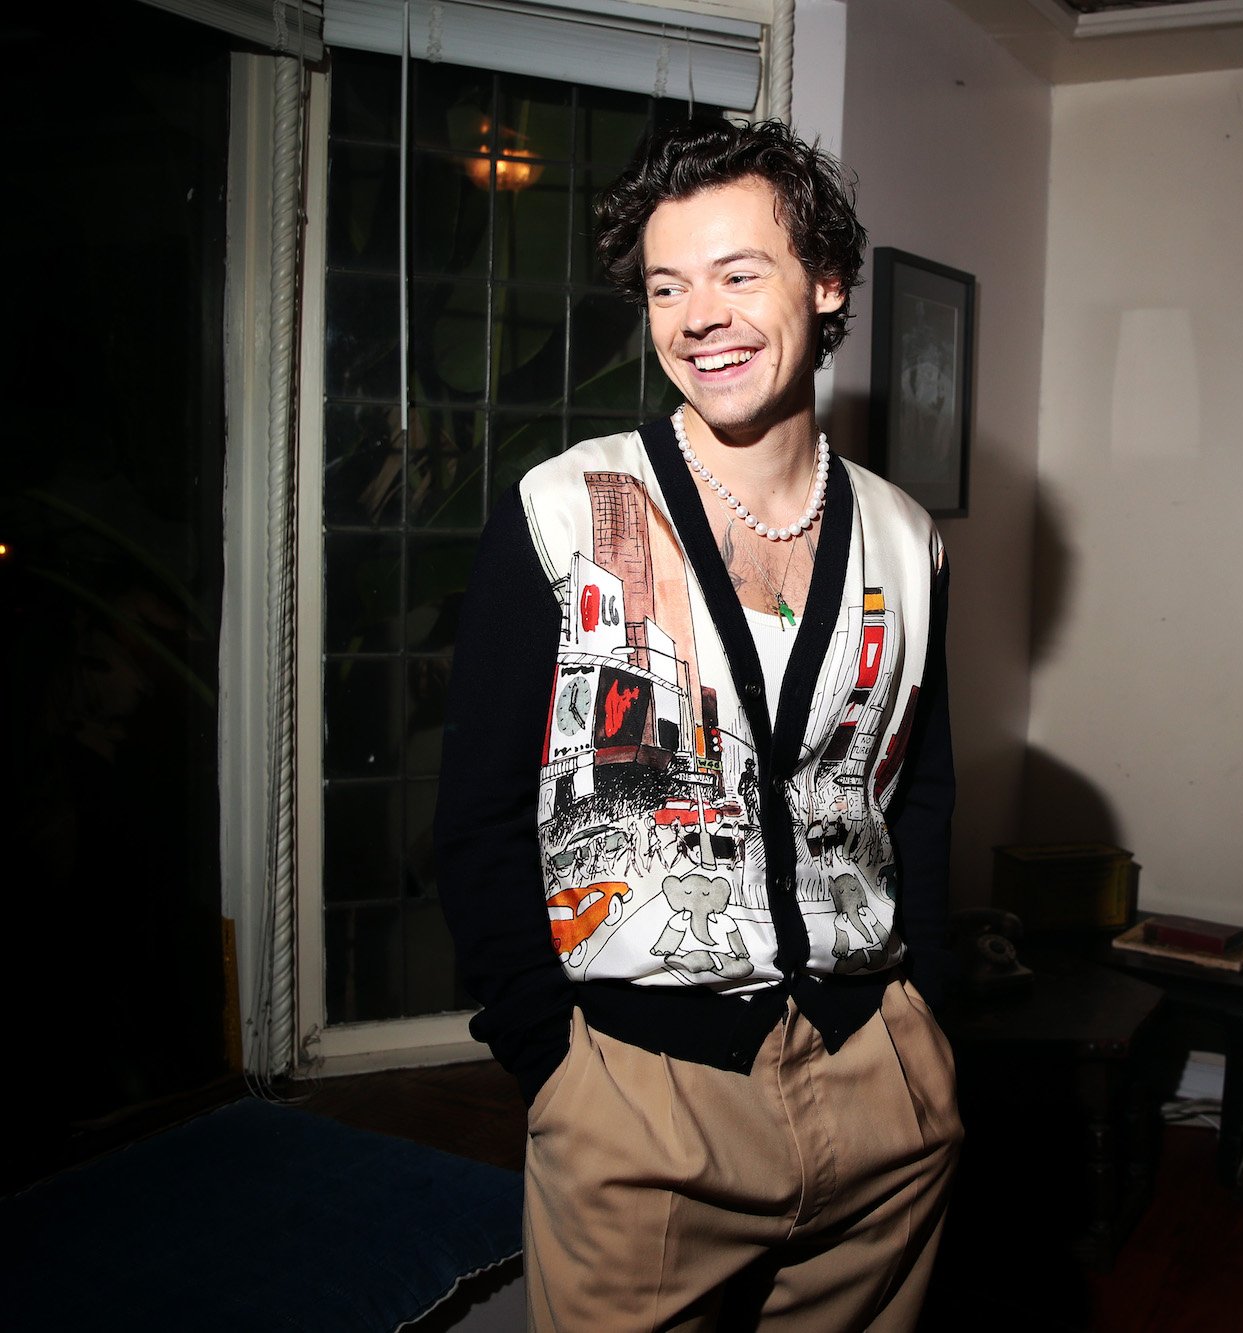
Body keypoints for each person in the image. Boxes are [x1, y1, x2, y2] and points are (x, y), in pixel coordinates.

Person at [435, 118, 960, 1331]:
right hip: (639, 1094)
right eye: (667, 286)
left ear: (824, 283)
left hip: (879, 1078)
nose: (698, 318)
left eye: (737, 273)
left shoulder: (906, 537)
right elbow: (476, 814)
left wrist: (924, 1015)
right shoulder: (563, 510)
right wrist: (554, 1060)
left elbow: (918, 791)